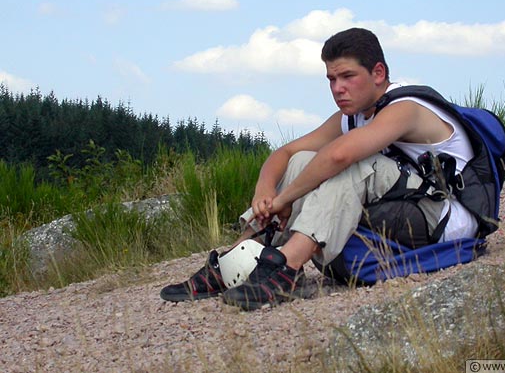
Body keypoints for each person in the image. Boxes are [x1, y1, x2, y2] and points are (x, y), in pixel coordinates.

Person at [160, 27, 478, 310]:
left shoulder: (406, 108)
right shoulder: (353, 116)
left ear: (378, 73)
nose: (338, 88)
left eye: (348, 77)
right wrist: (265, 189)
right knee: (303, 161)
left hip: (442, 219)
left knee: (351, 163)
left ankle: (289, 270)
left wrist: (284, 201)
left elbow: (340, 156)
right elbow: (286, 152)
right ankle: (235, 260)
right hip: (402, 206)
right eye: (331, 79)